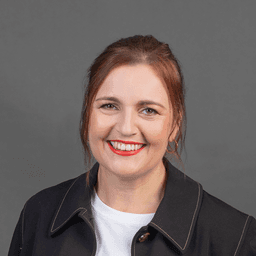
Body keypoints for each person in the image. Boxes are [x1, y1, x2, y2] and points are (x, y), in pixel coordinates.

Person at [8, 35, 256, 256]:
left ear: (175, 125)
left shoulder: (235, 238)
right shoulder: (39, 214)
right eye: (109, 106)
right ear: (87, 115)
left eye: (148, 110)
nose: (126, 128)